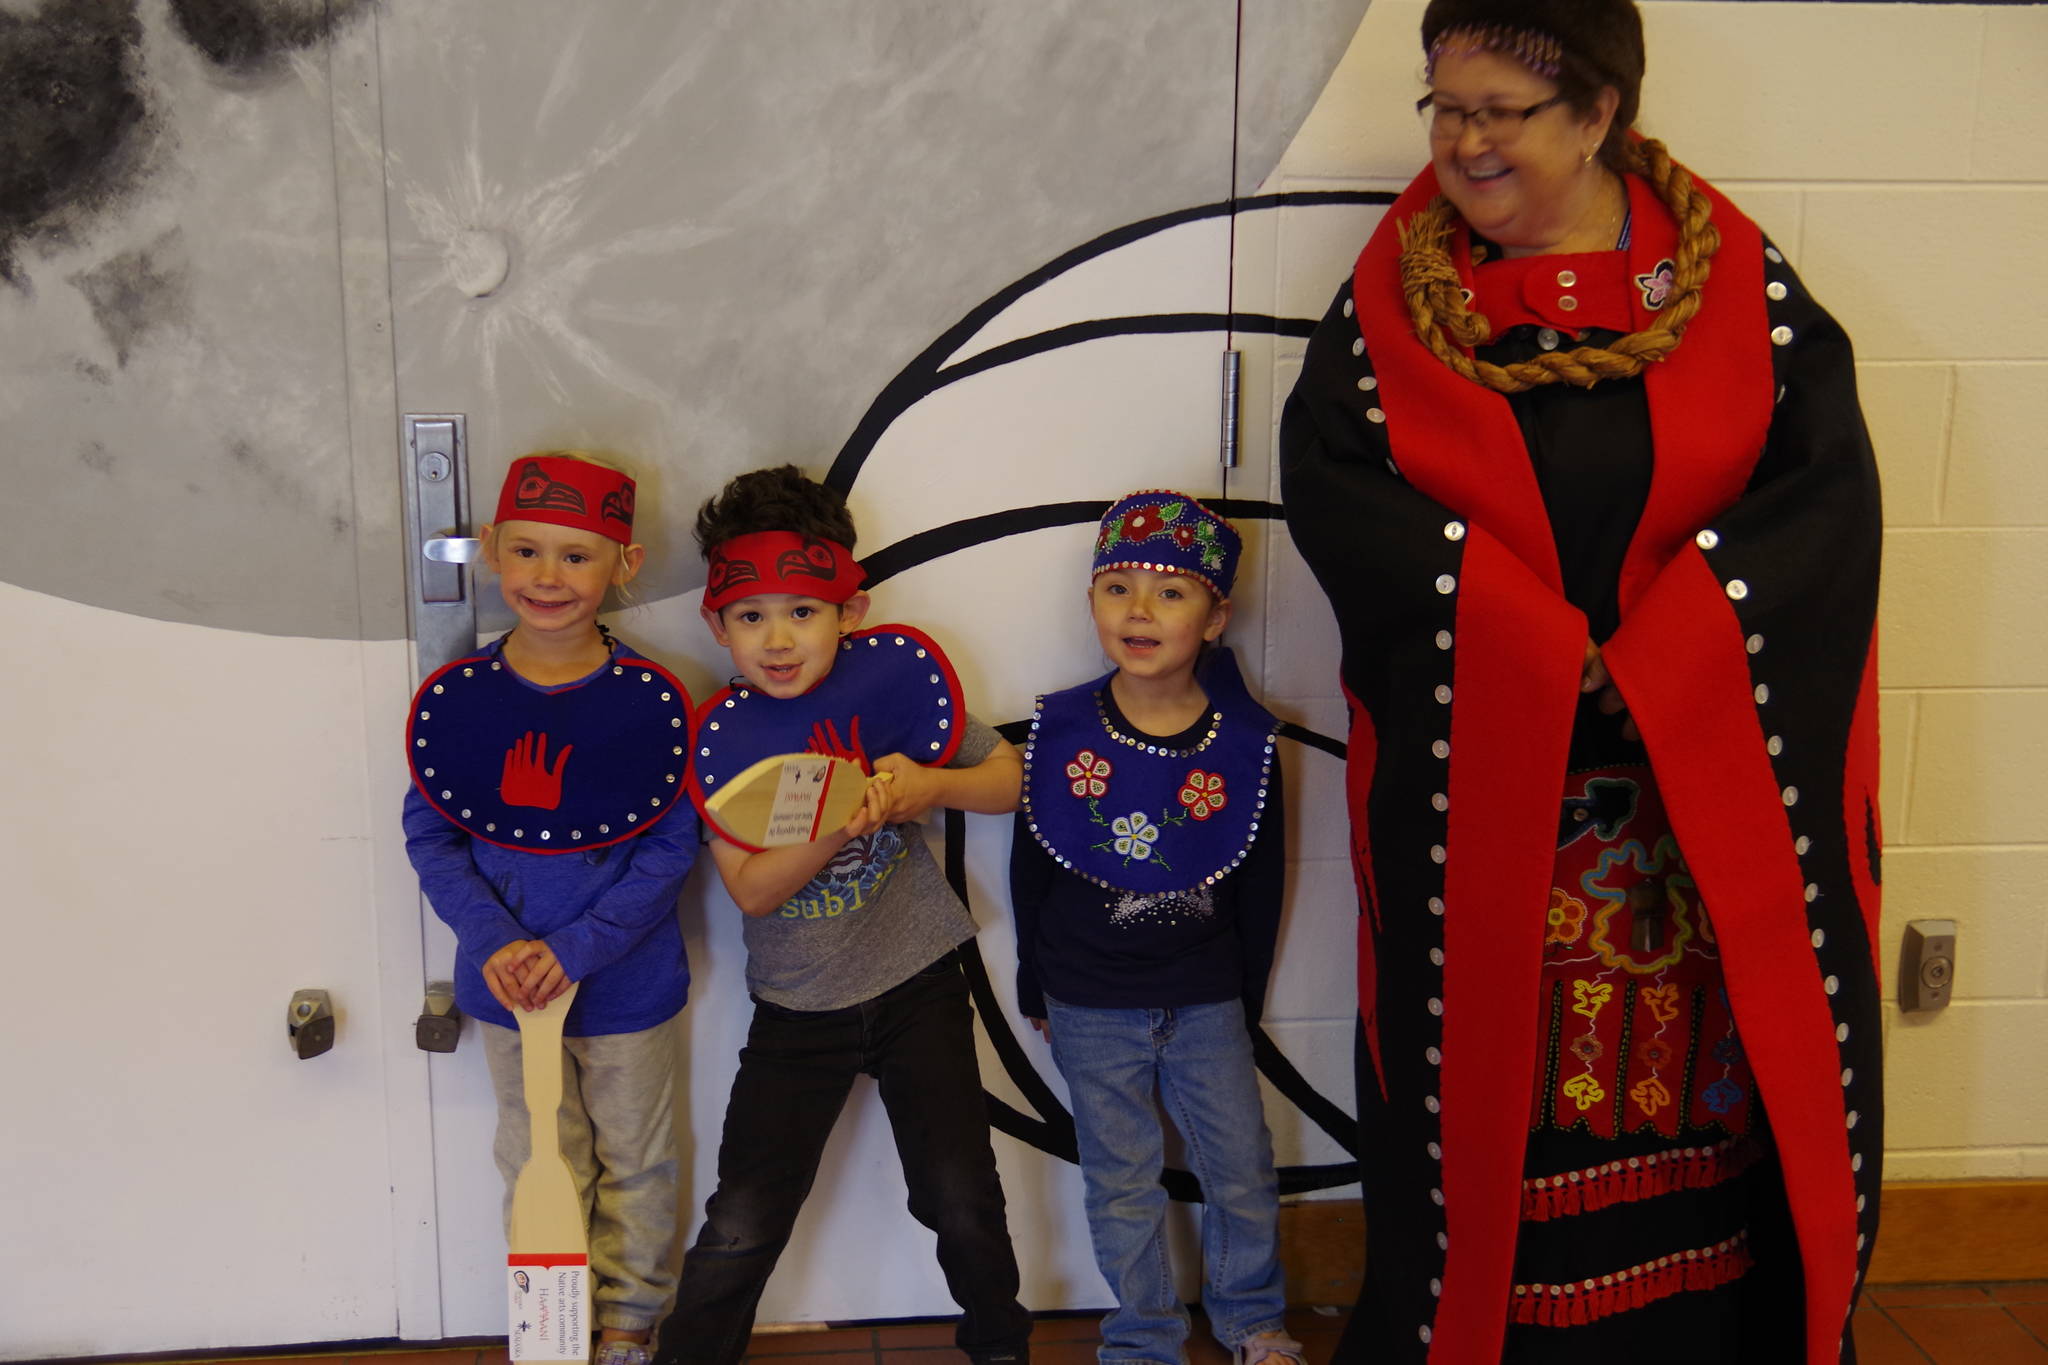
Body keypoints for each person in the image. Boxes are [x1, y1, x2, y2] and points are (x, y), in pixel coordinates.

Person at [1278, 2, 1884, 1361]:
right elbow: (1343, 496)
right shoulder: (1396, 297)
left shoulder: (1738, 293)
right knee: (1496, 1105)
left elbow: (1823, 510)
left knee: (1696, 1086)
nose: (1459, 142)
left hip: (1693, 801)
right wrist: (1537, 654)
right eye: (1442, 107)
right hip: (1493, 794)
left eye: (1499, 112)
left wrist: (1667, 662)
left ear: (1602, 112)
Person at [651, 465, 1032, 1365]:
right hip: (795, 1010)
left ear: (849, 610)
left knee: (961, 1193)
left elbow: (1010, 780)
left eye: (803, 611)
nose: (777, 639)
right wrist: (837, 816)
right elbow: (750, 888)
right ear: (716, 624)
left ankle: (1004, 1349)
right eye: (750, 617)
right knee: (744, 1214)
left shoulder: (891, 686)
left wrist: (926, 784)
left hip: (918, 983)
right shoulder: (725, 735)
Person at [404, 451, 699, 1365]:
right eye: (526, 551)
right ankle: (551, 1324)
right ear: (491, 550)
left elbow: (670, 847)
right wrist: (494, 938)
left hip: (625, 990)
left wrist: (576, 948)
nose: (547, 576)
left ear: (625, 564)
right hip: (505, 991)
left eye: (577, 556)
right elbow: (432, 836)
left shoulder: (659, 701)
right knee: (537, 1158)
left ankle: (628, 1326)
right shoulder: (458, 702)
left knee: (638, 1160)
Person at [1009, 491, 1303, 1365]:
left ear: (1216, 616)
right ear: (1092, 603)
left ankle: (1252, 1320)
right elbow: (1031, 865)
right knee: (1122, 1183)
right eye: (1118, 587)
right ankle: (1142, 1339)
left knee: (1240, 1171)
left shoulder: (1246, 743)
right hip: (1090, 1001)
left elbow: (1263, 883)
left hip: (1207, 998)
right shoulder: (1059, 730)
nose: (1139, 611)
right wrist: (1034, 982)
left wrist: (1243, 999)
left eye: (1170, 592)